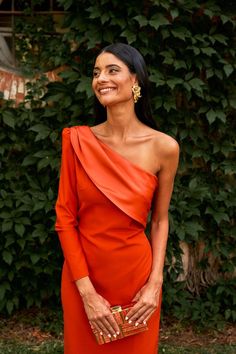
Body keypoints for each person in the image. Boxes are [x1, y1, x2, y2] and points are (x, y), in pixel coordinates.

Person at [55, 42, 179, 354]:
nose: (101, 78)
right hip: (83, 279)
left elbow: (160, 220)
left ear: (135, 80)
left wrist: (155, 284)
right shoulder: (77, 141)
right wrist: (86, 292)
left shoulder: (164, 147)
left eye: (113, 70)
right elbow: (65, 219)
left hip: (137, 283)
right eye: (96, 72)